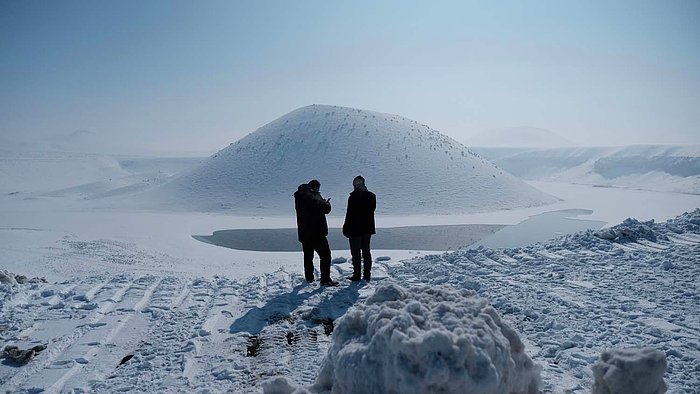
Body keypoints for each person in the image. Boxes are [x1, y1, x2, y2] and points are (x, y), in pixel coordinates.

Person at [294, 179, 338, 286]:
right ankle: (325, 279)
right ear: (315, 187)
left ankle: (309, 278)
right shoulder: (313, 196)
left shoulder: (300, 197)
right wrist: (326, 203)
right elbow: (324, 209)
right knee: (325, 255)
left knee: (308, 256)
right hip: (317, 232)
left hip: (304, 233)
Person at [342, 175, 376, 281]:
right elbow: (349, 213)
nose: (356, 185)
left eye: (358, 183)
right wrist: (346, 227)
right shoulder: (354, 197)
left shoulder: (369, 196)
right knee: (357, 253)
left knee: (364, 252)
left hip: (361, 229)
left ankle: (364, 274)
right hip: (357, 229)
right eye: (355, 184)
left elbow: (370, 209)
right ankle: (358, 274)